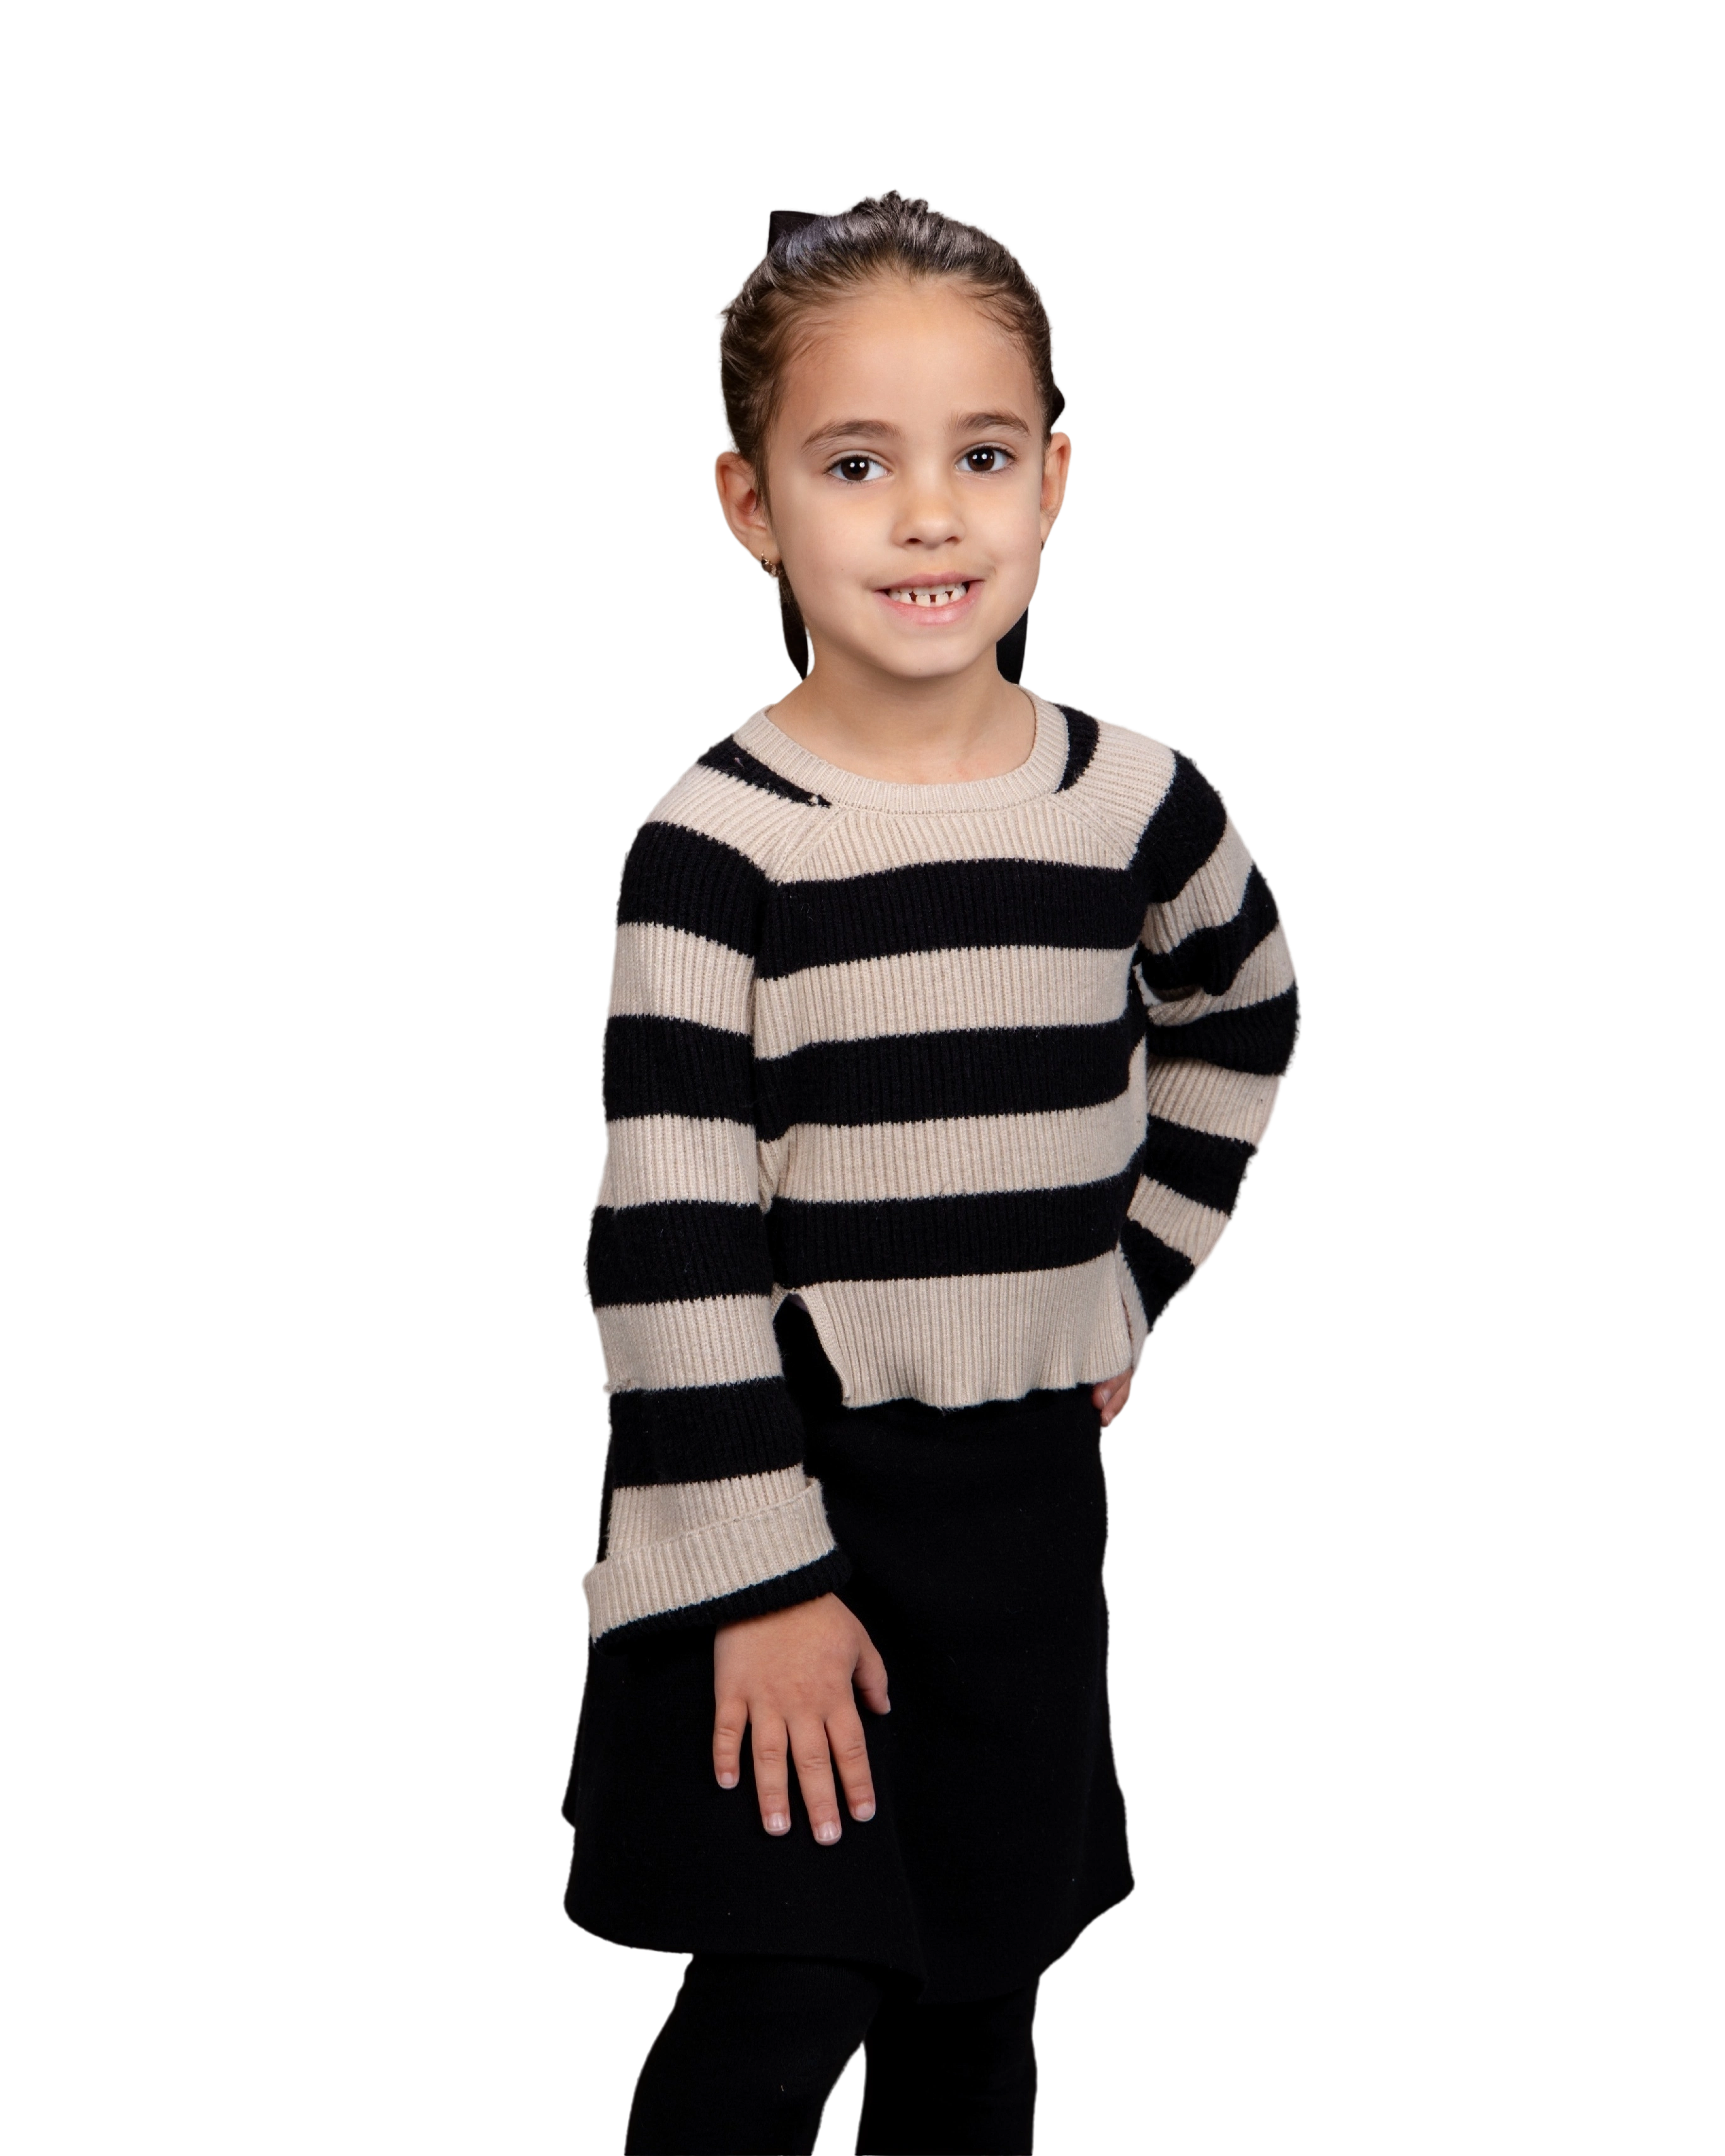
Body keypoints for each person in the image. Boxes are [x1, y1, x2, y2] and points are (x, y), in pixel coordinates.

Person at [557, 188, 1306, 2156]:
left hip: (1015, 1511)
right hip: (770, 1490)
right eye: (855, 463)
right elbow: (668, 1242)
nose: (927, 516)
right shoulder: (715, 847)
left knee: (981, 1992)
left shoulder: (1140, 807)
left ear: (1056, 478)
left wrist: (1131, 1274)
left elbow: (1243, 1009)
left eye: (980, 455)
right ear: (749, 503)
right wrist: (764, 1581)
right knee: (783, 1995)